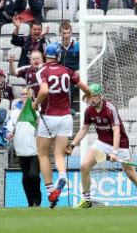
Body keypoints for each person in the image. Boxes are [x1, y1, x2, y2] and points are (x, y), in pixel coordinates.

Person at [66, 84, 137, 208]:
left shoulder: (110, 108)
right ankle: (87, 200)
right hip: (102, 142)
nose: (92, 98)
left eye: (95, 95)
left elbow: (116, 132)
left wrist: (114, 152)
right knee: (84, 166)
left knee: (131, 174)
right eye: (90, 95)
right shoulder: (89, 110)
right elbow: (84, 129)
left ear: (101, 95)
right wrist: (73, 145)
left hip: (120, 144)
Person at [33, 43, 91, 208]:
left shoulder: (42, 72)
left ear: (45, 55)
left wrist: (35, 103)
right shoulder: (67, 71)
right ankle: (63, 176)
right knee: (59, 154)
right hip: (66, 117)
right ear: (58, 56)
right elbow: (85, 87)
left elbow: (44, 91)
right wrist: (88, 94)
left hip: (49, 116)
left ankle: (51, 190)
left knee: (43, 154)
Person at [5, 87, 41, 207]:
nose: (25, 96)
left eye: (27, 94)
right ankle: (30, 202)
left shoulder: (39, 111)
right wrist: (8, 134)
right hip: (21, 150)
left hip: (37, 150)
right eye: (23, 94)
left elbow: (48, 128)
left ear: (32, 96)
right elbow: (8, 126)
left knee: (34, 176)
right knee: (26, 178)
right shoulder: (15, 113)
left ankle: (37, 200)